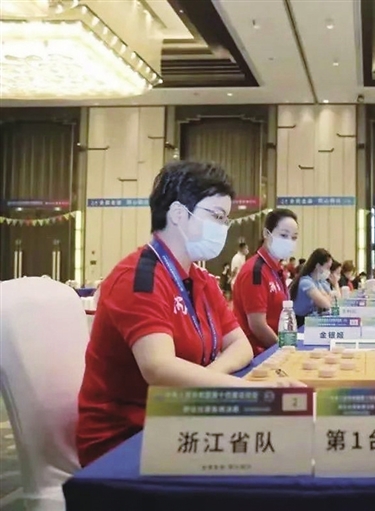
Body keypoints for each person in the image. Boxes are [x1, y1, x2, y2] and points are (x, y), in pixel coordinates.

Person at [77, 161, 303, 467]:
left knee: (286, 447)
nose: (224, 228)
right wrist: (252, 391)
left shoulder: (200, 279)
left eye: (225, 219)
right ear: (179, 214)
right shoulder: (139, 278)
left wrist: (209, 378)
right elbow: (159, 367)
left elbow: (241, 345)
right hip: (126, 438)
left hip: (179, 415)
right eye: (217, 216)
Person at [232, 209, 298, 355]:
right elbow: (257, 325)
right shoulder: (255, 271)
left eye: (294, 237)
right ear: (266, 234)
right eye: (283, 235)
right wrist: (282, 349)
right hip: (257, 354)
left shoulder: (276, 269)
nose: (289, 241)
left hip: (274, 347)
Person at [290, 248, 334, 326]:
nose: (329, 271)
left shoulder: (317, 282)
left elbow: (331, 300)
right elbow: (326, 304)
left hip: (309, 319)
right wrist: (325, 298)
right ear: (318, 266)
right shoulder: (306, 282)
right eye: (327, 268)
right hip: (299, 323)